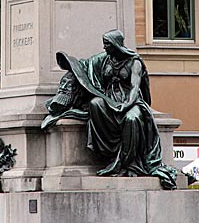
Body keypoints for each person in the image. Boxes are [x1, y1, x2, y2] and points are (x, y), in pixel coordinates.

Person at [41, 29, 177, 190]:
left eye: (107, 44)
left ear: (116, 44)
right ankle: (109, 152)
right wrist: (70, 69)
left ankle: (126, 164)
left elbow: (135, 88)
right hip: (110, 101)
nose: (104, 47)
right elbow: (84, 67)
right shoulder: (105, 59)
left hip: (131, 103)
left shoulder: (134, 62)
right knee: (95, 103)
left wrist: (126, 105)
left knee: (132, 119)